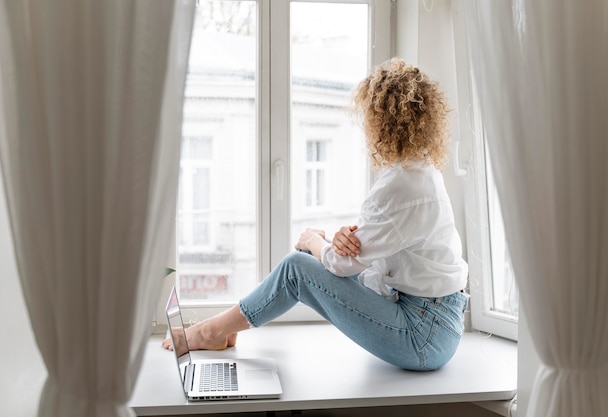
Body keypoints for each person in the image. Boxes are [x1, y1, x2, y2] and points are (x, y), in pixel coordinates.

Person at [163, 58, 468, 371]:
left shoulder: (399, 186)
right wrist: (342, 241)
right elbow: (379, 247)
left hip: (424, 335)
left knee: (297, 267)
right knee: (306, 262)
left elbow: (341, 265)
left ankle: (210, 331)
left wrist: (314, 241)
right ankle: (220, 330)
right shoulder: (421, 172)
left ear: (380, 121)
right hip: (436, 324)